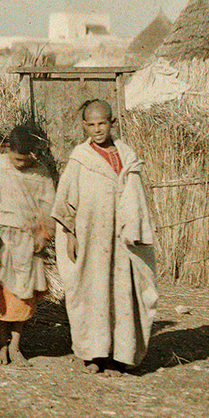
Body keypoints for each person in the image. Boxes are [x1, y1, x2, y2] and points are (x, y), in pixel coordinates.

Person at [53, 100, 157, 373]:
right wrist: (71, 235)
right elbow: (66, 201)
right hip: (92, 238)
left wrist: (136, 228)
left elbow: (136, 199)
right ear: (84, 126)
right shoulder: (80, 158)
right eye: (91, 124)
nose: (97, 129)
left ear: (113, 123)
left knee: (122, 295)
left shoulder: (127, 156)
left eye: (102, 123)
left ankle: (119, 355)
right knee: (93, 292)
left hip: (122, 240)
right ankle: (94, 354)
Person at [0, 124, 55, 366]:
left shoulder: (41, 173)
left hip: (28, 241)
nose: (20, 163)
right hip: (1, 238)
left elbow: (48, 206)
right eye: (16, 158)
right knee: (1, 296)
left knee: (24, 297)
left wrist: (44, 235)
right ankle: (1, 347)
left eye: (25, 159)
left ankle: (16, 346)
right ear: (7, 149)